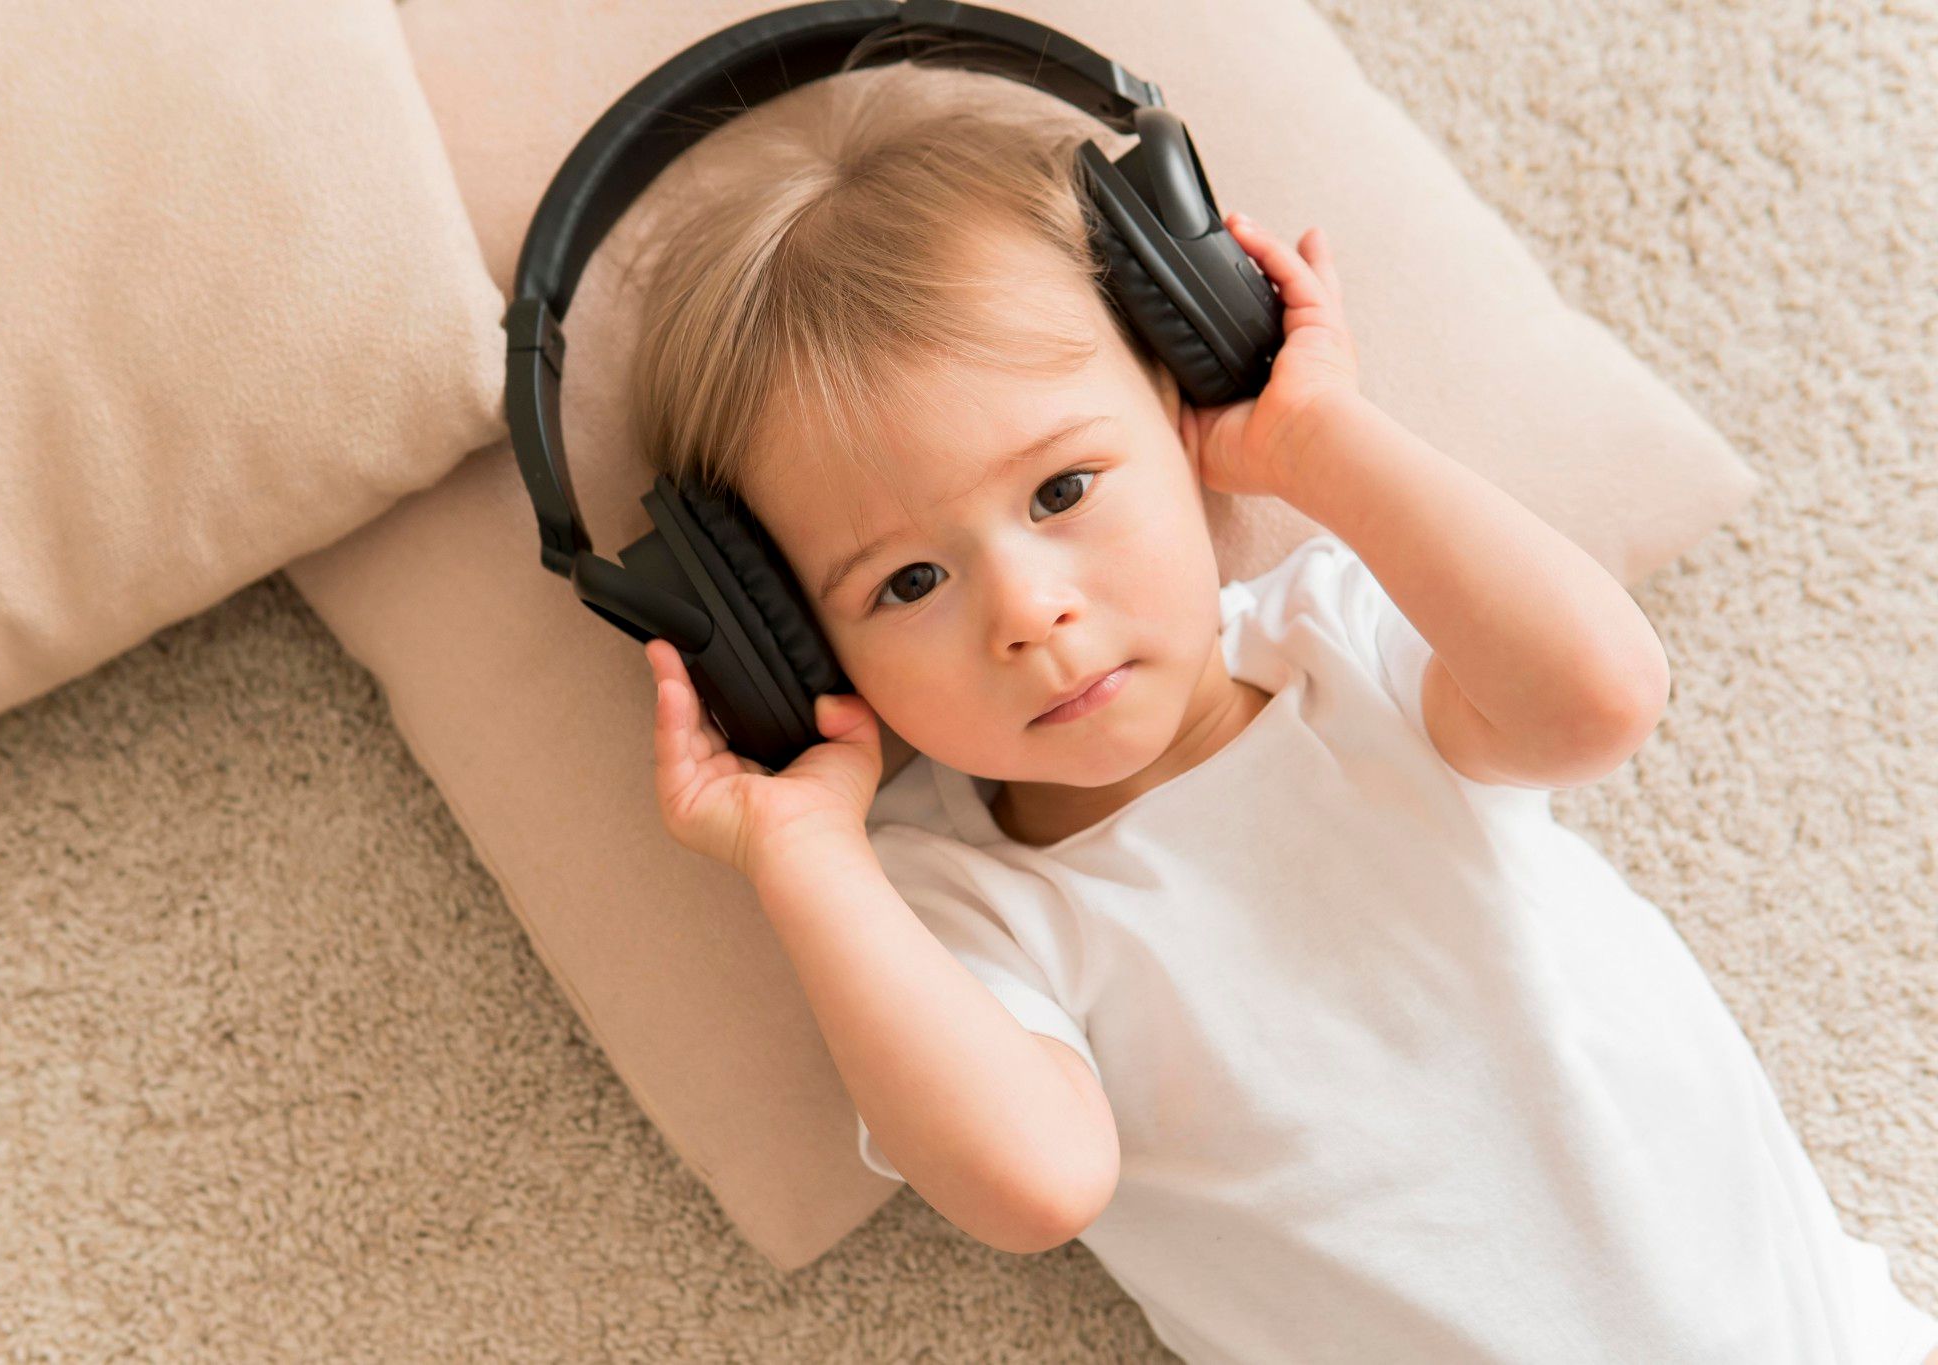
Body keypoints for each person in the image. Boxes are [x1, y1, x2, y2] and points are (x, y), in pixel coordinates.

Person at [631, 62, 1938, 1364]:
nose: (1027, 612)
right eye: (908, 582)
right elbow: (1031, 1186)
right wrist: (804, 859)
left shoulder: (1339, 641)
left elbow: (1599, 699)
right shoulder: (951, 896)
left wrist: (1321, 442)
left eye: (1063, 490)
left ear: (1187, 390)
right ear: (786, 646)